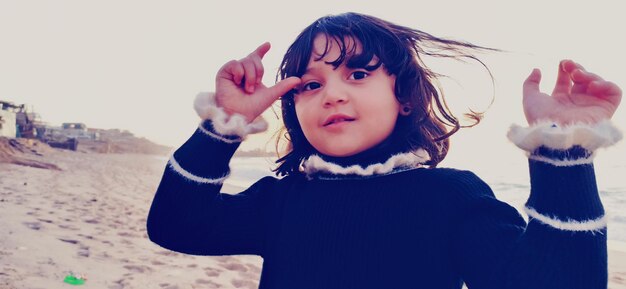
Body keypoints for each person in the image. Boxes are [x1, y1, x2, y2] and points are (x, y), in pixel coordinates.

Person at [146, 12, 622, 289]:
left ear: (406, 98)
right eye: (310, 84)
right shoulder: (284, 198)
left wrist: (563, 152)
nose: (331, 94)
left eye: (357, 74)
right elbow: (175, 225)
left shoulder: (450, 198)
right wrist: (220, 129)